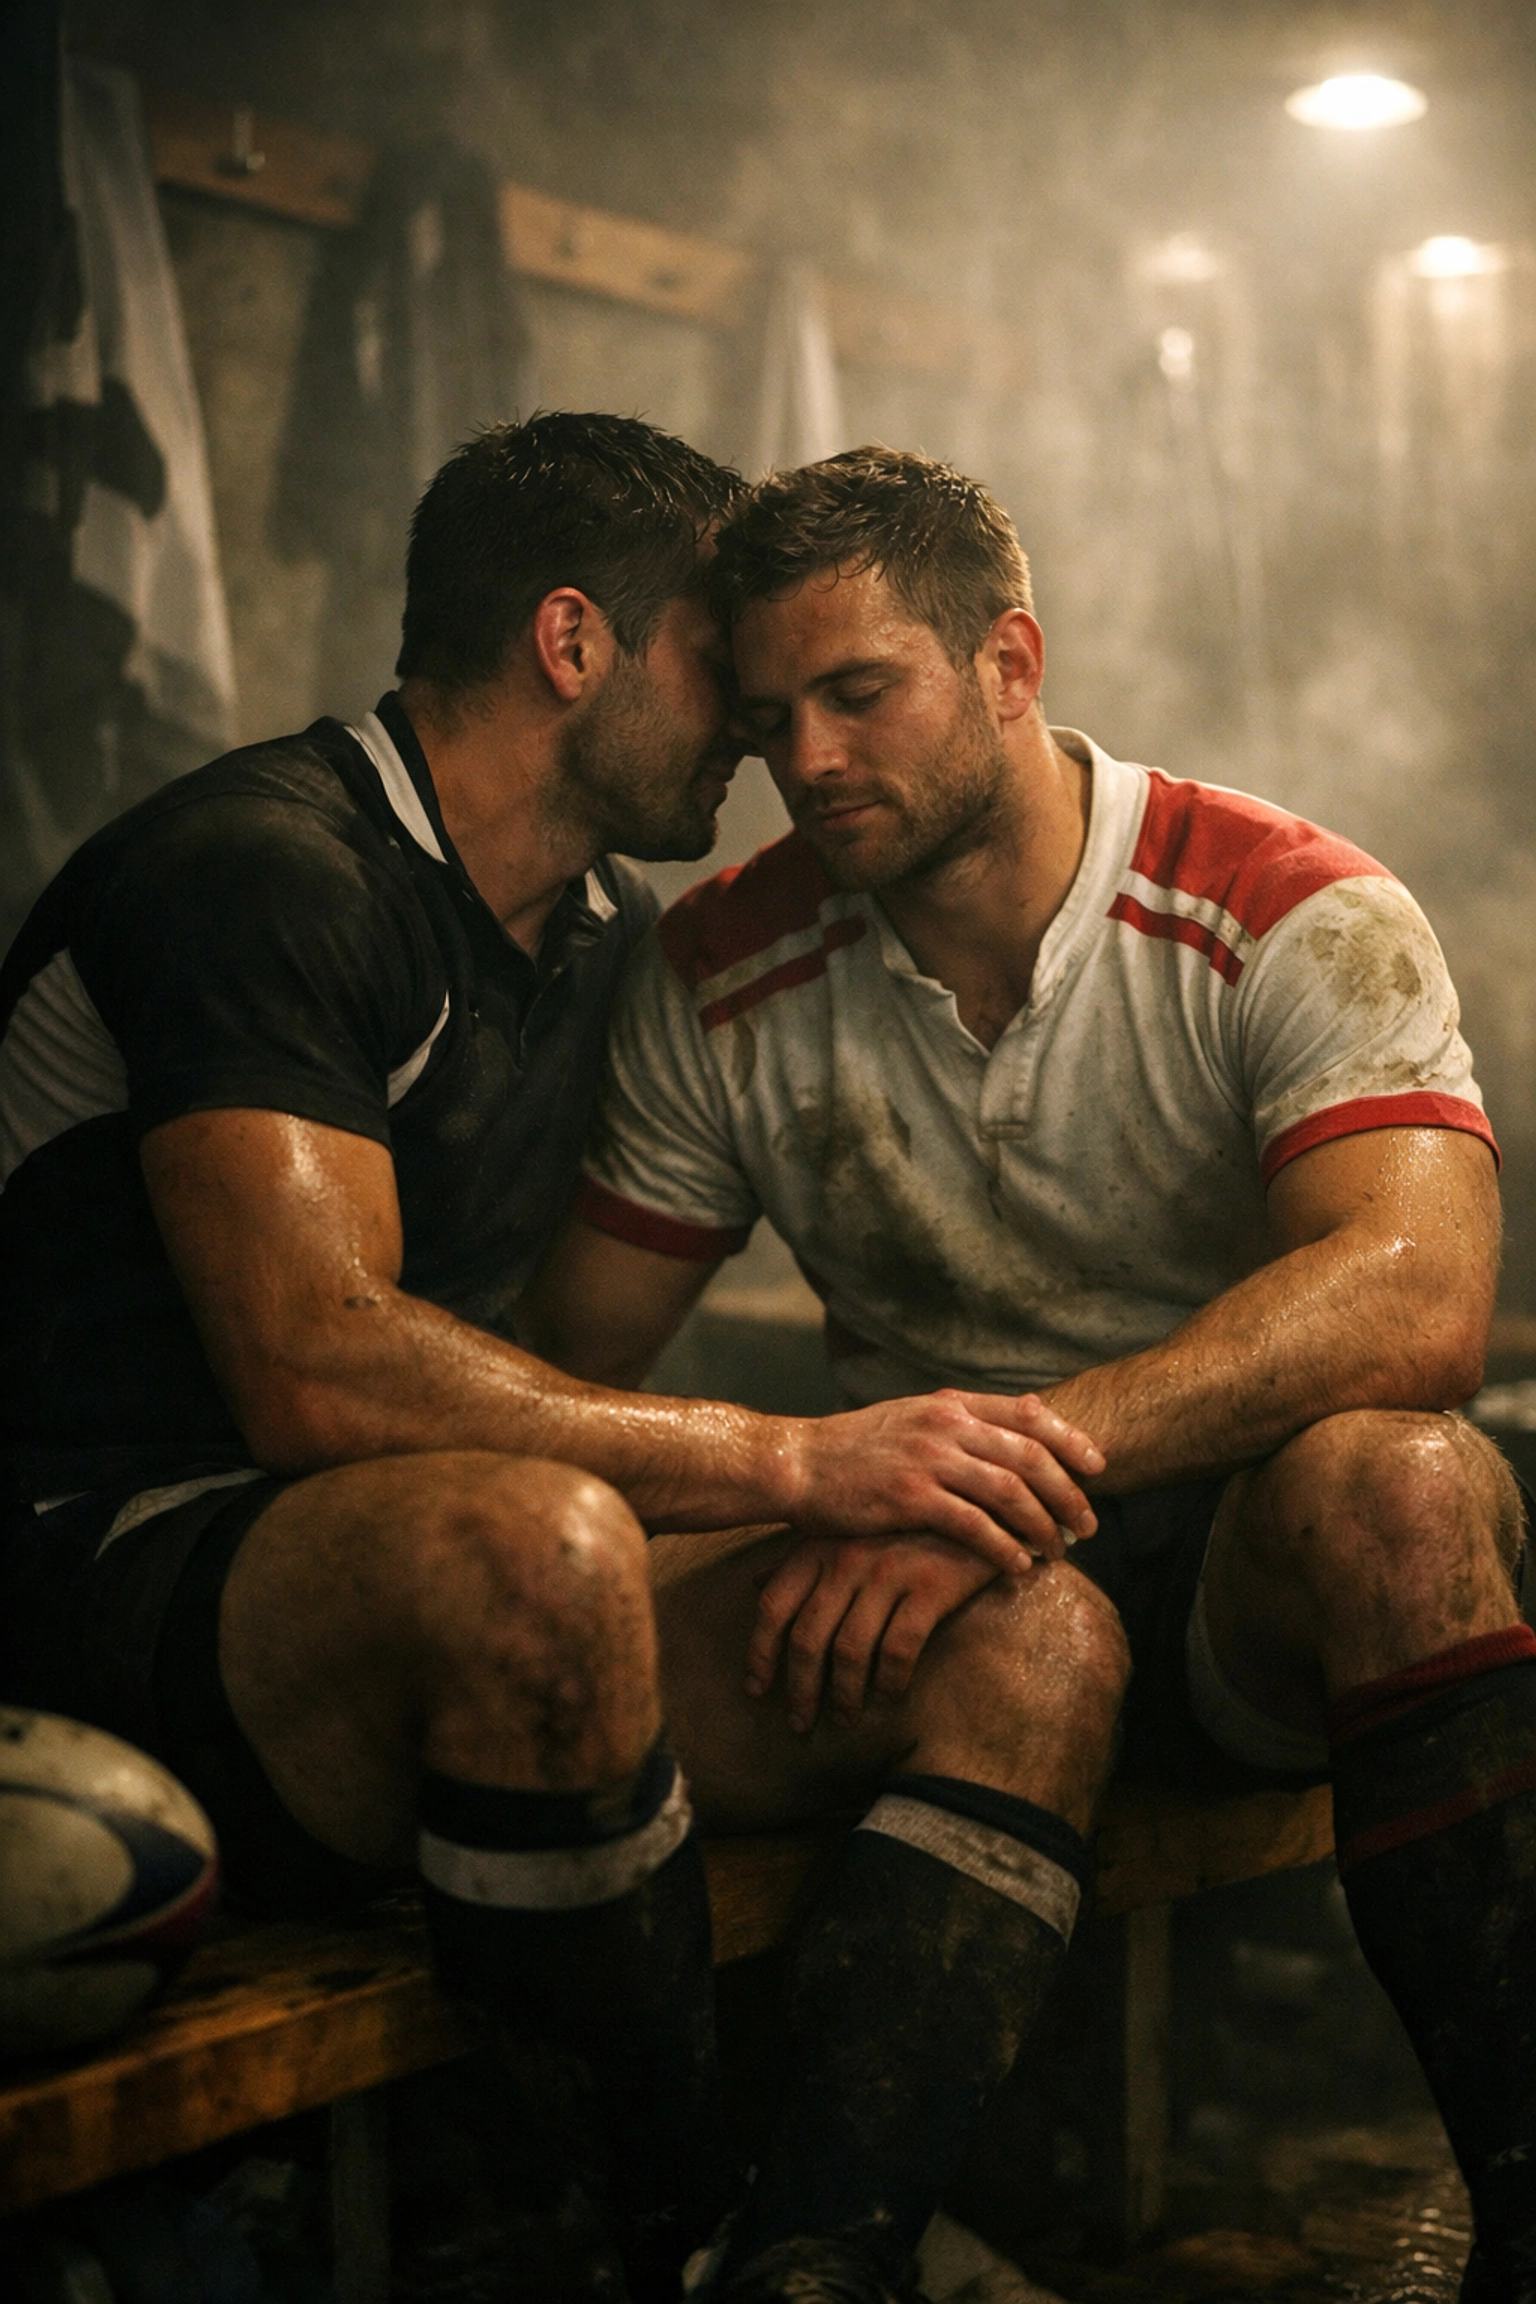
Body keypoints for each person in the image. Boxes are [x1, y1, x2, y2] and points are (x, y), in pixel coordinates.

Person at [0, 415, 1107, 2304]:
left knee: (1027, 1629)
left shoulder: (606, 935)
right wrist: (788, 1463)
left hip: (395, 1569)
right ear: (574, 645)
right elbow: (318, 1371)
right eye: (722, 670)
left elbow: (545, 1346)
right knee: (543, 1552)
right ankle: (634, 2242)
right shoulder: (270, 870)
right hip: (90, 1562)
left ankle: (813, 2253)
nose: (765, 730)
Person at [526, 445, 1536, 2304]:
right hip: (938, 1613)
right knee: (1026, 1635)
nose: (812, 760)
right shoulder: (719, 967)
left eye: (861, 693)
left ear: (1009, 664)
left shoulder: (1292, 903)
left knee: (1412, 1480)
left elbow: (1419, 1303)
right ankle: (812, 2263)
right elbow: (571, 1379)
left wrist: (1004, 1472)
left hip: (1240, 1583)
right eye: (768, 719)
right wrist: (805, 1481)